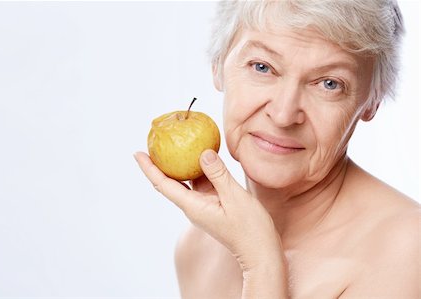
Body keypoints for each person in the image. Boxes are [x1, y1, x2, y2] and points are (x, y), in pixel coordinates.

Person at [135, 0, 420, 298]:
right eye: (262, 67)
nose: (284, 115)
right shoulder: (197, 248)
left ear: (373, 101)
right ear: (218, 64)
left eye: (329, 84)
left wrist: (262, 265)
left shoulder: (406, 250)